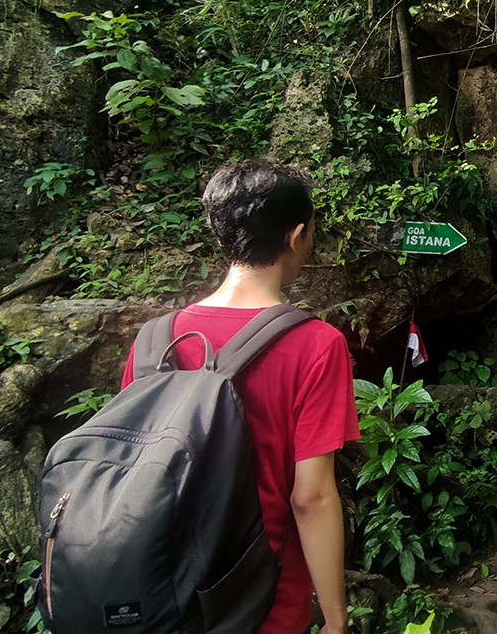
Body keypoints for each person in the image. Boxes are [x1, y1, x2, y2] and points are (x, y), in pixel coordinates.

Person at [121, 158, 360, 634]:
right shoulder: (316, 344)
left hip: (161, 592)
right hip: (260, 597)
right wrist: (336, 619)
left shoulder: (156, 340)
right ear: (296, 236)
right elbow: (311, 497)